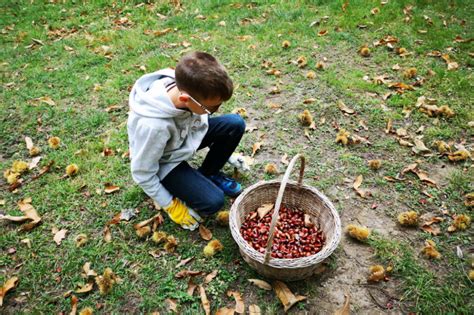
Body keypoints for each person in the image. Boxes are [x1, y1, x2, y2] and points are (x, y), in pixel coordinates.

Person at [127, 51, 245, 231]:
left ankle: (210, 172)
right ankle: (185, 182)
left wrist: (224, 152)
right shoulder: (153, 126)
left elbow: (198, 121)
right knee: (213, 202)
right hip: (165, 161)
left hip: (182, 140)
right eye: (212, 108)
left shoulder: (187, 89)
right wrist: (170, 204)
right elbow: (142, 172)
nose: (216, 110)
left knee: (235, 124)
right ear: (185, 100)